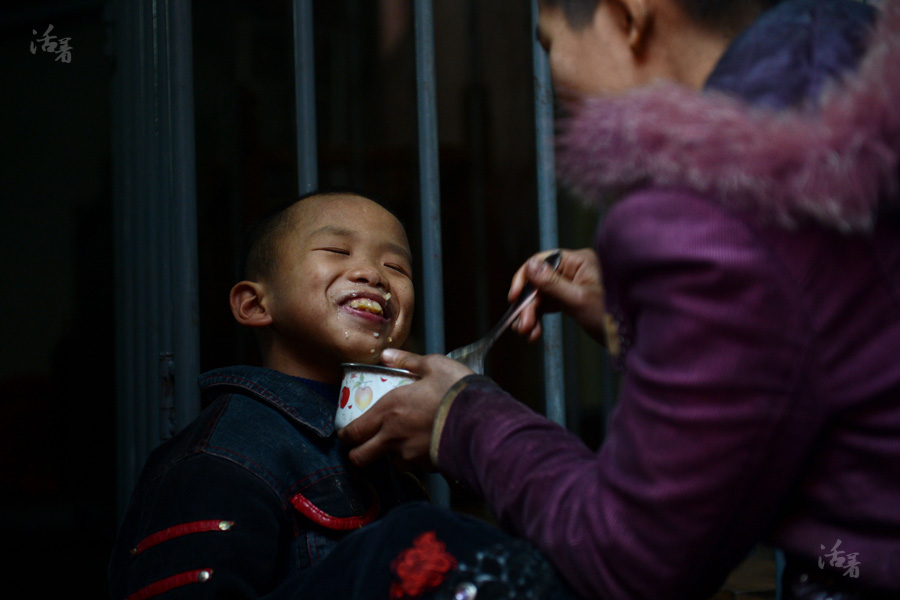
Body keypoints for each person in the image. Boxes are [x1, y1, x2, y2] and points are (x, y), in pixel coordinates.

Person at [339, 1, 900, 599]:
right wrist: (641, 322)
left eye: (549, 44)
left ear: (626, 17)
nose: (554, 85)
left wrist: (460, 418)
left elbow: (636, 557)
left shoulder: (712, 217)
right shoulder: (852, 86)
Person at [108, 191, 430, 598]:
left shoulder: (397, 440)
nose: (373, 274)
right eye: (336, 250)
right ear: (255, 304)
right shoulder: (221, 457)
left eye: (395, 266)